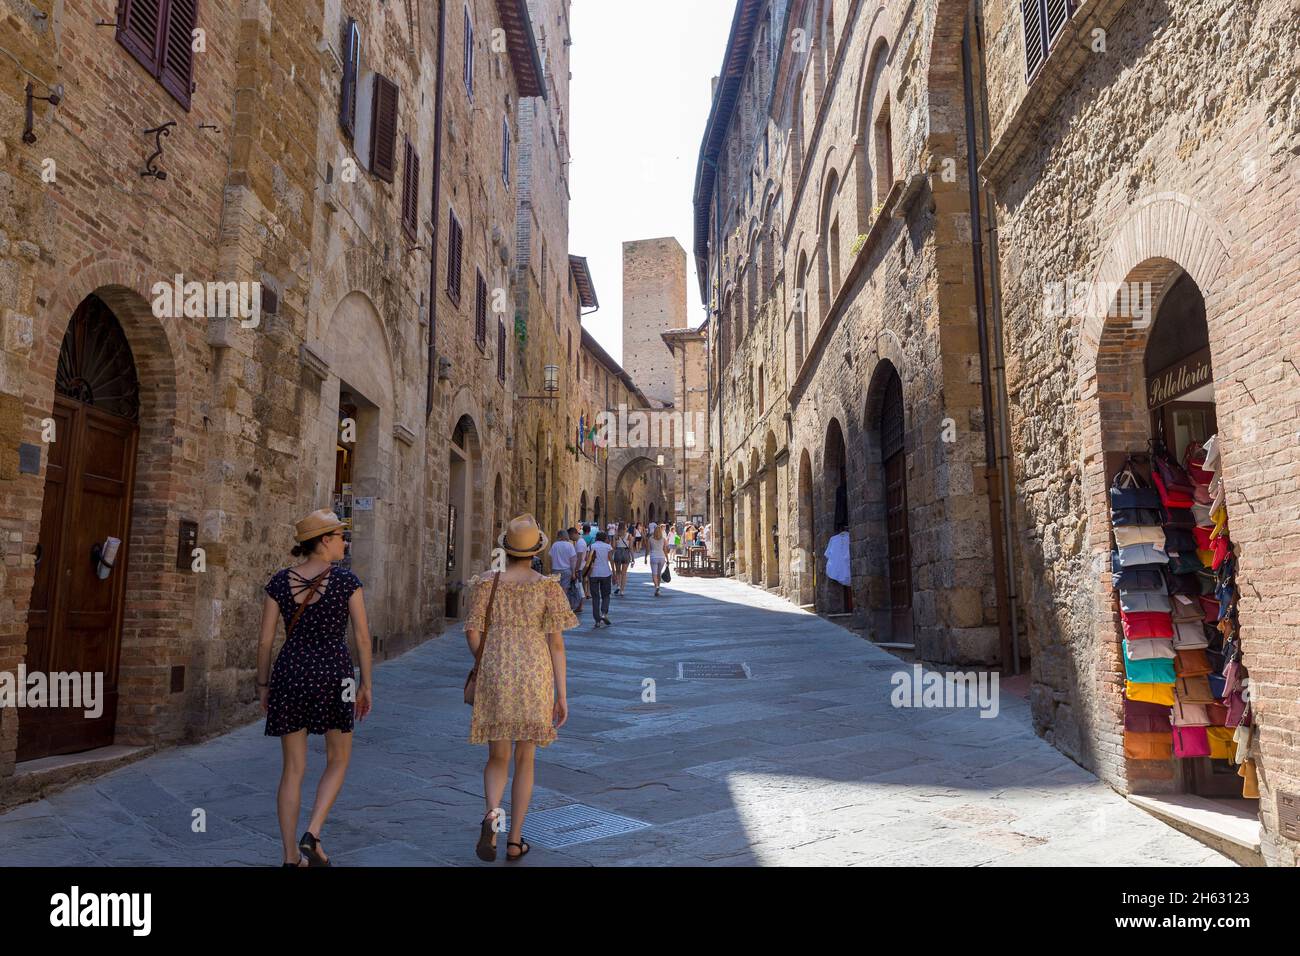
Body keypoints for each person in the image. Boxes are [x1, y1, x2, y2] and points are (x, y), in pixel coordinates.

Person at [257, 509, 373, 867]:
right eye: (340, 536)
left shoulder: (279, 582)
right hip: (334, 675)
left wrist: (263, 683)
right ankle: (313, 831)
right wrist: (366, 683)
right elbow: (362, 638)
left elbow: (264, 643)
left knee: (293, 769)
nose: (344, 542)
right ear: (324, 541)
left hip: (290, 673)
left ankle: (290, 855)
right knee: (338, 759)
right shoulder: (346, 581)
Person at [465, 515, 577, 863]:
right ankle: (514, 841)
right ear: (535, 551)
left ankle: (492, 815)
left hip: (496, 672)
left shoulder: (487, 583)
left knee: (497, 756)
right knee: (525, 758)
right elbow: (556, 645)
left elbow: (472, 631)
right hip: (535, 674)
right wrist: (562, 694)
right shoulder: (546, 587)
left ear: (506, 549)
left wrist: (489, 657)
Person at [583, 530, 615, 628]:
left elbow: (586, 559)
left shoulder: (591, 546)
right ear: (605, 538)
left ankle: (597, 620)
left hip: (593, 574)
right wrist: (614, 573)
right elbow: (611, 560)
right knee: (606, 595)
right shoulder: (608, 547)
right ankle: (604, 614)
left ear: (596, 538)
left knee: (595, 597)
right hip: (606, 573)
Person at [549, 528, 579, 611]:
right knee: (564, 590)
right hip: (566, 571)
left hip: (555, 570)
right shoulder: (569, 545)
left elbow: (551, 558)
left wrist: (551, 569)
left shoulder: (555, 545)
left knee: (555, 591)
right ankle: (563, 608)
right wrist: (573, 573)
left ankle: (556, 608)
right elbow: (573, 560)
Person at [570, 526, 588, 612]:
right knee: (579, 586)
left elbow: (579, 557)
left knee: (579, 587)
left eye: (570, 536)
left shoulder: (580, 543)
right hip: (580, 567)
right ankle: (579, 605)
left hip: (579, 568)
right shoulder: (580, 542)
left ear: (574, 533)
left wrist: (576, 570)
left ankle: (580, 606)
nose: (570, 538)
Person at [648, 523, 669, 596]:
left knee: (654, 574)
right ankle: (658, 588)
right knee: (659, 574)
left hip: (653, 557)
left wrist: (645, 558)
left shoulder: (650, 538)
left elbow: (649, 549)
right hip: (662, 557)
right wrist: (668, 559)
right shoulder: (663, 539)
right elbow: (665, 550)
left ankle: (656, 587)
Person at [612, 522, 633, 595]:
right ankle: (622, 590)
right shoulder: (629, 535)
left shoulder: (616, 535)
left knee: (618, 572)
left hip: (618, 552)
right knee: (624, 573)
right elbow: (630, 548)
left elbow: (614, 546)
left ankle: (618, 586)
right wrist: (632, 558)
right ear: (625, 527)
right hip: (626, 553)